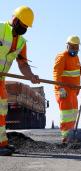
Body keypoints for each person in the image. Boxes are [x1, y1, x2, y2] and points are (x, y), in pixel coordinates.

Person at [0, 6, 40, 156]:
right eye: (22, 25)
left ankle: (1, 143)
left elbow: (22, 64)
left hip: (0, 79)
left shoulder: (21, 42)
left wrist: (31, 76)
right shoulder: (0, 28)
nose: (24, 29)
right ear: (15, 19)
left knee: (1, 110)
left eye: (26, 27)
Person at [53, 35, 81, 144]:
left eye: (76, 47)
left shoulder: (76, 57)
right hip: (64, 91)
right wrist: (59, 88)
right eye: (72, 47)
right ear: (67, 46)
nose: (75, 49)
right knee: (66, 114)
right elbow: (56, 74)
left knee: (73, 113)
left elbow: (78, 68)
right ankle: (66, 138)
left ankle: (71, 136)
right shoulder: (62, 56)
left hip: (73, 92)